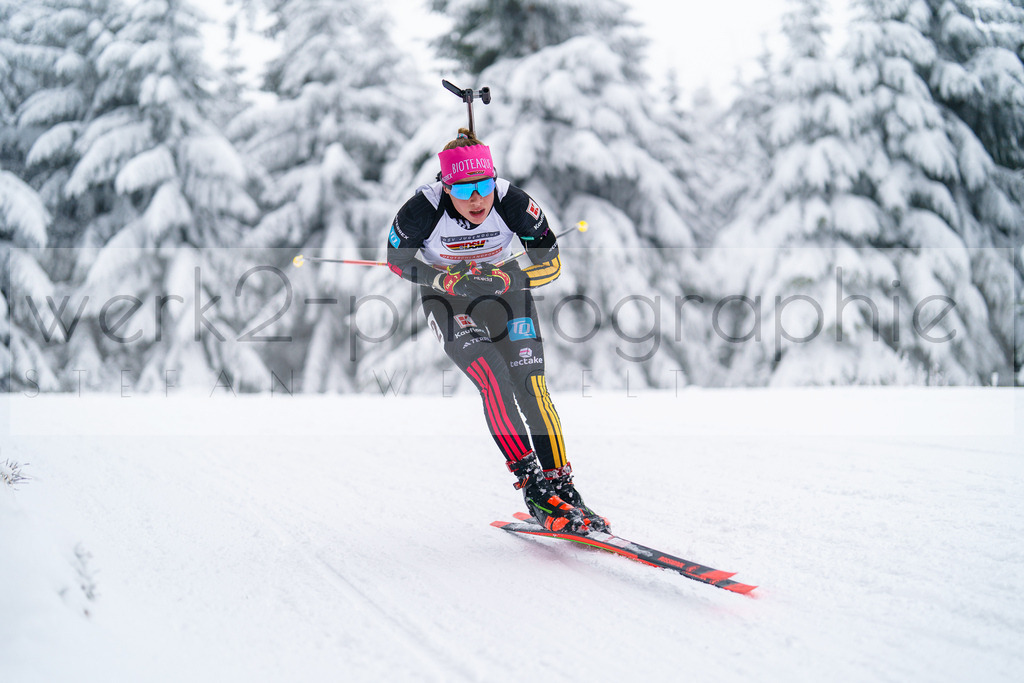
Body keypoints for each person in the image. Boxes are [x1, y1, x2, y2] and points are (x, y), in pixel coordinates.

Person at [386, 128, 607, 534]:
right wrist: (444, 280)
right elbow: (397, 260)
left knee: (531, 384)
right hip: (449, 301)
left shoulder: (513, 202)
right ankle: (534, 486)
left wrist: (506, 277)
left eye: (484, 185)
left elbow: (550, 263)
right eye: (464, 189)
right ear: (445, 185)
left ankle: (563, 486)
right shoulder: (421, 208)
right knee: (494, 376)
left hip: (506, 293)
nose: (477, 199)